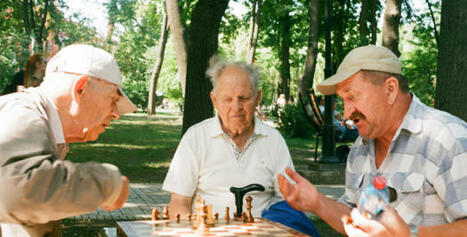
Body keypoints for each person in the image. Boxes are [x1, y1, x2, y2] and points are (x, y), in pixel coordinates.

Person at [278, 45, 467, 237]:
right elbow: (353, 218)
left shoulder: (447, 138)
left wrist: (408, 235)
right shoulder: (360, 147)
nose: (346, 113)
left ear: (390, 90)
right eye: (343, 101)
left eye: (352, 97)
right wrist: (316, 202)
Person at [162, 59, 319, 236]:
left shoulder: (273, 140)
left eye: (243, 98)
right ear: (214, 99)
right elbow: (179, 203)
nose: (236, 107)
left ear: (258, 97)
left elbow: (288, 204)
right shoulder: (195, 138)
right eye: (227, 99)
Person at [0, 44, 137, 236]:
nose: (115, 114)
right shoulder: (22, 113)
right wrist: (108, 183)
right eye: (113, 100)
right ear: (80, 90)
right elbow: (18, 191)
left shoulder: (43, 125)